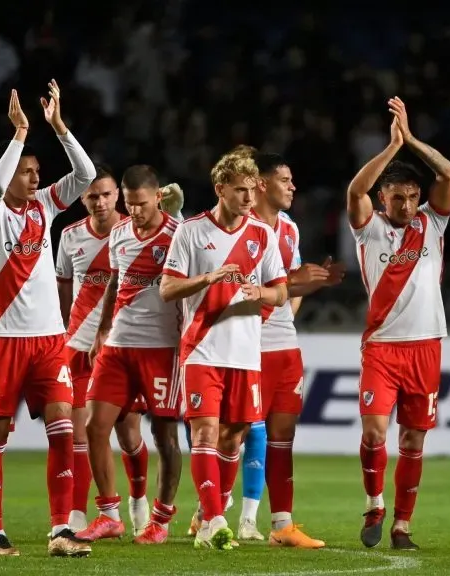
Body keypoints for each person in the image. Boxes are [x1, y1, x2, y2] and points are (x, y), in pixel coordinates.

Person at [0, 84, 95, 557]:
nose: (35, 179)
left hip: (48, 340)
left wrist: (58, 126)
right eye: (28, 171)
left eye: (38, 171)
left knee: (63, 426)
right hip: (1, 339)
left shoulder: (44, 207)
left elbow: (85, 173)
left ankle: (61, 530)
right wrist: (19, 133)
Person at [160, 150, 288, 550]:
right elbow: (167, 289)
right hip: (202, 349)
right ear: (220, 189)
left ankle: (206, 512)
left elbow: (281, 292)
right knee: (205, 432)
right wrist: (209, 278)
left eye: (252, 190)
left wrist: (260, 292)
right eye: (240, 190)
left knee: (233, 439)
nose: (249, 198)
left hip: (245, 353)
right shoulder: (192, 232)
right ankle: (216, 522)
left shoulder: (262, 234)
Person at [345, 97, 450, 550]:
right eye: (398, 197)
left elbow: (447, 175)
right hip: (383, 348)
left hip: (426, 347)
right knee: (374, 432)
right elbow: (355, 192)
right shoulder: (368, 228)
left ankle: (403, 525)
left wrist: (411, 140)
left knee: (413, 440)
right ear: (383, 199)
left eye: (413, 196)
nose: (408, 204)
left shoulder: (433, 224)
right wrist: (391, 149)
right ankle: (375, 504)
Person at [78, 166, 186, 545]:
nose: (135, 211)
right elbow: (114, 280)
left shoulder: (178, 234)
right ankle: (109, 514)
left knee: (164, 435)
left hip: (162, 349)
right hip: (118, 347)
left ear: (158, 197)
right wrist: (102, 330)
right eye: (129, 203)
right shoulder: (120, 233)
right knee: (94, 426)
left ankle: (160, 520)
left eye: (141, 203)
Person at [241, 151, 343, 547]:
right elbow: (243, 290)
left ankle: (281, 525)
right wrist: (294, 284)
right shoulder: (242, 228)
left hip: (285, 344)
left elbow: (288, 290)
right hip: (246, 343)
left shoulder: (290, 229)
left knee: (283, 433)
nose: (293, 187)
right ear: (263, 184)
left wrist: (308, 285)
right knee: (237, 433)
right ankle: (212, 514)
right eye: (285, 180)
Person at [55, 164, 149, 534]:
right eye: (92, 195)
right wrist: (64, 332)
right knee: (81, 432)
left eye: (107, 194)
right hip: (77, 346)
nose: (100, 201)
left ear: (118, 196)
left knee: (128, 434)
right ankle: (85, 512)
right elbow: (64, 288)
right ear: (82, 198)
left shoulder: (134, 232)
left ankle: (138, 498)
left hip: (123, 346)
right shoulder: (69, 236)